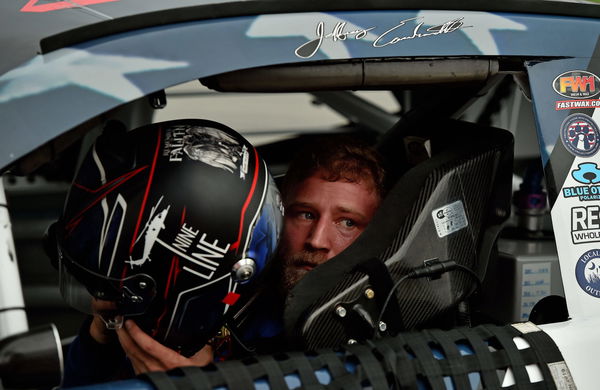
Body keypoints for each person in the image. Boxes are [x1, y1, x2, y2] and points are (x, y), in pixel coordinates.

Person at [55, 119, 283, 386]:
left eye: (111, 288)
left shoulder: (280, 342)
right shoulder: (142, 330)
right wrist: (99, 340)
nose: (102, 299)